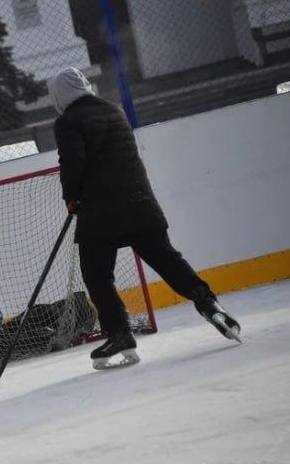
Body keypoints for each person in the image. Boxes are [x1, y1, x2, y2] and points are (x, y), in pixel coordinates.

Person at [49, 67, 241, 370]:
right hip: (140, 203)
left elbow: (73, 162)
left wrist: (70, 197)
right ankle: (208, 303)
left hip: (101, 211)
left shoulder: (68, 121)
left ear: (59, 95)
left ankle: (120, 334)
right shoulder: (114, 110)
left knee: (98, 275)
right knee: (167, 259)